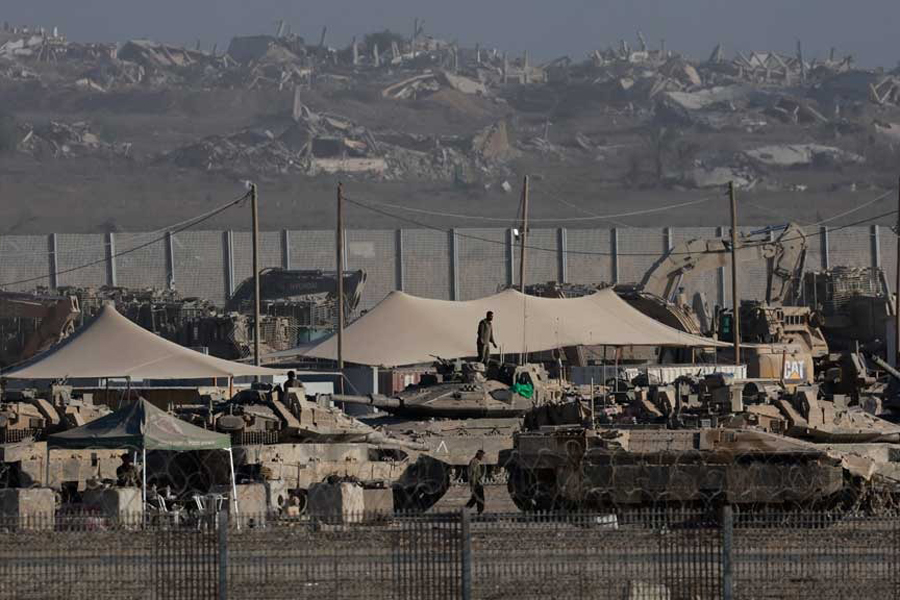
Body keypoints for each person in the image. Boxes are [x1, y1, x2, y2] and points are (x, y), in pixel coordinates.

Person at [465, 449, 486, 515]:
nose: (482, 457)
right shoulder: (474, 462)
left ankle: (465, 509)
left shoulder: (476, 461)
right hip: (476, 484)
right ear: (479, 455)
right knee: (480, 498)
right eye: (482, 455)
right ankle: (479, 511)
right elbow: (471, 474)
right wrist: (473, 485)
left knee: (474, 499)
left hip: (477, 483)